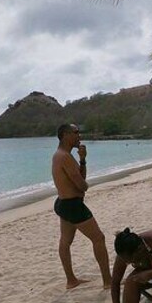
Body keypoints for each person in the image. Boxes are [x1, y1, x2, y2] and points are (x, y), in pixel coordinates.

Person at [51, 123, 112, 290]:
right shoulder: (64, 157)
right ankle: (108, 281)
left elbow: (80, 177)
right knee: (98, 238)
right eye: (76, 132)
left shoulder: (61, 155)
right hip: (72, 205)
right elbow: (82, 185)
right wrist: (85, 186)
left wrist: (83, 159)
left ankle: (71, 280)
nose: (79, 136)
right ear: (65, 135)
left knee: (66, 241)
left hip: (64, 203)